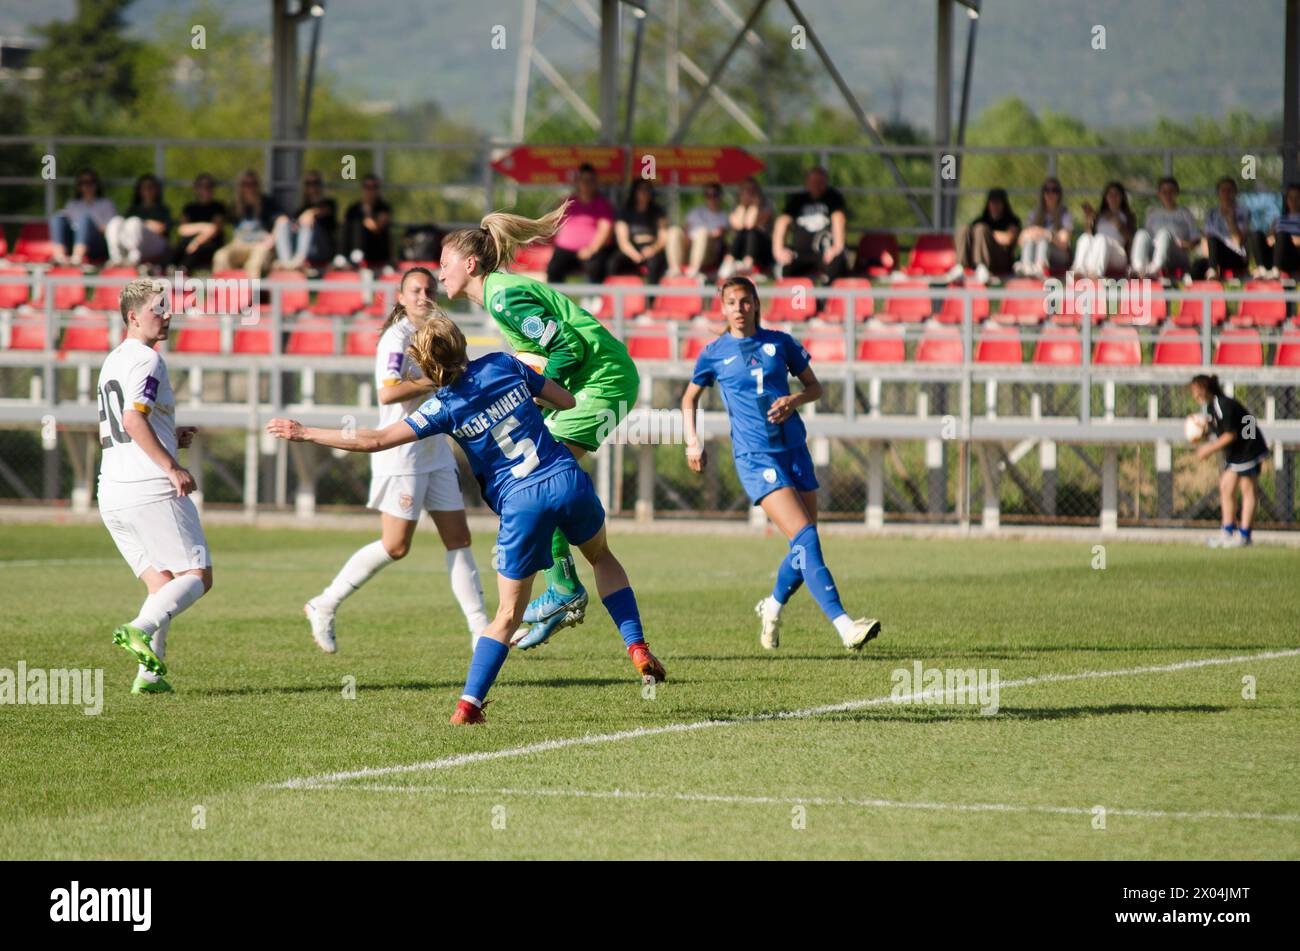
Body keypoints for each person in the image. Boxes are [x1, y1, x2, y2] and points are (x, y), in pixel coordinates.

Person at [267, 316, 666, 722]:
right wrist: (527, 392)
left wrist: (305, 432)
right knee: (601, 558)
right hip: (564, 478)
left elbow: (376, 440)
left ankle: (469, 704)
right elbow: (566, 402)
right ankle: (636, 647)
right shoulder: (503, 364)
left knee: (508, 616)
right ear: (461, 343)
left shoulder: (442, 407)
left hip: (521, 501)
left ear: (424, 364)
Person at [438, 204, 645, 654]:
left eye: (444, 263)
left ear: (469, 264)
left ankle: (563, 590)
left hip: (601, 379)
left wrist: (535, 391)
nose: (440, 274)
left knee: (535, 478)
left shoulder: (502, 297)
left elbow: (567, 347)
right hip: (596, 380)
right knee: (537, 477)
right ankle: (563, 591)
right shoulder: (501, 295)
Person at [680, 277, 880, 651]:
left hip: (794, 449)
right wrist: (693, 441)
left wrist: (794, 400)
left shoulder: (780, 342)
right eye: (731, 303)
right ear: (722, 308)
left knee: (803, 544)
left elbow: (815, 388)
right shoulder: (714, 353)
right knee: (805, 537)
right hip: (756, 457)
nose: (738, 309)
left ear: (756, 304)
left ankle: (771, 606)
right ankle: (845, 625)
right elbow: (689, 399)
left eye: (745, 302)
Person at [300, 266, 489, 652]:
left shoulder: (436, 330)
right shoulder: (395, 339)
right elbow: (387, 394)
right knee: (396, 545)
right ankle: (324, 603)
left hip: (434, 448)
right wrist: (435, 380)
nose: (424, 296)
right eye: (415, 290)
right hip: (401, 452)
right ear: (401, 298)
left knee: (459, 539)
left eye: (429, 290)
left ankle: (480, 630)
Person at [96, 278, 213, 694]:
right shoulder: (148, 359)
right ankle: (138, 628)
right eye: (158, 308)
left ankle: (151, 674)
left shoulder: (114, 359)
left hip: (112, 490)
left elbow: (127, 422)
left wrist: (169, 434)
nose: (167, 314)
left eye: (168, 307)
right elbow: (132, 420)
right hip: (149, 488)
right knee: (198, 574)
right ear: (133, 316)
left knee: (162, 583)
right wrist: (171, 466)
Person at [1190, 374, 1269, 548]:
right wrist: (1202, 433)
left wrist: (1208, 449)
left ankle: (1244, 535)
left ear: (1204, 389)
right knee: (1226, 486)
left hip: (1249, 446)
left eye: (1195, 390)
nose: (1194, 395)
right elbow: (1219, 430)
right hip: (1238, 450)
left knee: (1247, 488)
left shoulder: (1222, 404)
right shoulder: (1211, 407)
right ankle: (1227, 532)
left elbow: (1231, 434)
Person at [772, 166, 848, 283]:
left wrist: (836, 247)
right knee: (786, 268)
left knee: (836, 264)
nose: (816, 185)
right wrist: (778, 250)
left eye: (820, 182)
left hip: (825, 252)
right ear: (807, 183)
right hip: (800, 253)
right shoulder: (798, 200)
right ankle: (792, 300)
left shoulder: (833, 197)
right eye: (813, 181)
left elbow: (838, 218)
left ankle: (827, 299)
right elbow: (782, 221)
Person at [545, 164, 614, 285]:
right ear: (577, 182)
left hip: (591, 251)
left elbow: (605, 229)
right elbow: (552, 224)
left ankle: (593, 301)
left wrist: (592, 249)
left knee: (597, 267)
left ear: (595, 182)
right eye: (583, 180)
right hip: (564, 250)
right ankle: (557, 301)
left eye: (590, 180)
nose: (587, 184)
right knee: (553, 269)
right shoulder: (567, 202)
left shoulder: (602, 204)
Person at [212, 170, 288, 278]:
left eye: (252, 184)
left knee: (254, 263)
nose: (249, 188)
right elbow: (220, 222)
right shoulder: (235, 205)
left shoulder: (266, 202)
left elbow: (282, 219)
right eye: (245, 184)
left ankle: (252, 294)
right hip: (239, 243)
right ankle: (223, 292)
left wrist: (272, 237)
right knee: (220, 256)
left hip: (259, 244)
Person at [1130, 176, 1200, 278]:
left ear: (1177, 193)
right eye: (1164, 192)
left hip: (1176, 252)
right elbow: (1147, 237)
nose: (1168, 195)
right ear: (1159, 194)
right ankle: (1138, 269)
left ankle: (1154, 270)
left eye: (1171, 191)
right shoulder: (1153, 213)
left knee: (1164, 233)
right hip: (1156, 251)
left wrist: (1186, 244)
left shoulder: (1184, 213)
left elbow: (1196, 239)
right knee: (1141, 233)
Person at [607, 180, 670, 287]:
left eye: (647, 190)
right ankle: (610, 297)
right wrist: (634, 254)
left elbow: (663, 237)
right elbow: (622, 240)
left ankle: (652, 300)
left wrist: (653, 249)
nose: (645, 193)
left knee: (655, 263)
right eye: (641, 190)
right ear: (634, 192)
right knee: (612, 262)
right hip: (630, 249)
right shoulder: (625, 211)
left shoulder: (658, 211)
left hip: (652, 249)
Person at [50, 168, 116, 266]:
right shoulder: (72, 204)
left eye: (91, 182)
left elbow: (112, 228)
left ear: (97, 184)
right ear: (78, 186)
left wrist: (89, 227)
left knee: (85, 221)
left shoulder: (106, 204)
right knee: (57, 218)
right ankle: (60, 257)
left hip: (97, 243)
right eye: (83, 182)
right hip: (74, 241)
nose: (87, 186)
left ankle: (77, 258)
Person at [275, 170, 337, 271]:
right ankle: (287, 262)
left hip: (321, 249)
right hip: (303, 248)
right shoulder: (301, 208)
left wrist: (311, 213)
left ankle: (299, 260)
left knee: (307, 221)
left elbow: (324, 211)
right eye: (308, 184)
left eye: (315, 183)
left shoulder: (329, 203)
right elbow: (293, 226)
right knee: (282, 222)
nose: (312, 187)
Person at [106, 173, 172, 267]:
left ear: (156, 190)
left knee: (134, 222)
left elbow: (162, 228)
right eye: (144, 188)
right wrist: (147, 224)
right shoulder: (133, 209)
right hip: (130, 242)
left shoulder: (162, 209)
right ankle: (116, 258)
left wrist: (143, 224)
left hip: (154, 245)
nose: (147, 191)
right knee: (115, 221)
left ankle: (134, 258)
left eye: (150, 187)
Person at [1073, 180, 1134, 278]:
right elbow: (1090, 234)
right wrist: (1089, 220)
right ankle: (1079, 270)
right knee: (1085, 237)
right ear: (1106, 197)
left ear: (1122, 197)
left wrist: (1118, 224)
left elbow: (1131, 239)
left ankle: (1096, 274)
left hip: (1118, 254)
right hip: (1099, 252)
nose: (1113, 198)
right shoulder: (1099, 215)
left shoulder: (1127, 215)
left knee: (1102, 238)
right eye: (1110, 194)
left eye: (1116, 195)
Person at [958, 187, 1021, 281]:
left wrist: (988, 234)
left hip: (1001, 260)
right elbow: (970, 235)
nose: (995, 206)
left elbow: (1008, 238)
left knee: (981, 230)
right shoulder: (981, 220)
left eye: (998, 202)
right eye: (992, 202)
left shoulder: (1012, 220)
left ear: (1004, 204)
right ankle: (960, 266)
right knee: (965, 229)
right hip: (975, 259)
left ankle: (982, 266)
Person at [668, 182, 729, 278]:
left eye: (714, 195)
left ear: (719, 196)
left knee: (702, 232)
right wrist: (688, 239)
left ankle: (694, 269)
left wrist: (698, 238)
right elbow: (684, 229)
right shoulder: (695, 212)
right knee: (674, 230)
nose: (711, 198)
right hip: (688, 249)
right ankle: (674, 268)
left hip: (708, 253)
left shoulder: (723, 216)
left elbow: (718, 234)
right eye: (708, 195)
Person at [718, 177, 774, 279]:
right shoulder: (737, 207)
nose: (748, 193)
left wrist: (755, 205)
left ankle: (747, 264)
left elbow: (750, 224)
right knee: (742, 232)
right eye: (745, 190)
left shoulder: (766, 206)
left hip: (762, 250)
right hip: (741, 249)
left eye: (752, 190)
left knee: (752, 232)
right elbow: (738, 225)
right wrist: (743, 206)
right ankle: (729, 262)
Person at [1016, 178, 1073, 277]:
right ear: (1043, 193)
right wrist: (1031, 234)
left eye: (1054, 190)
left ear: (1059, 194)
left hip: (1059, 255)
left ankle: (1039, 268)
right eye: (1047, 190)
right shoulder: (1035, 213)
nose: (1050, 194)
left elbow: (1063, 243)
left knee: (1043, 240)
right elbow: (1021, 240)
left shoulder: (1065, 214)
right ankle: (1026, 266)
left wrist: (1046, 234)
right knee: (1029, 240)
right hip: (1035, 251)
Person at [1196, 177, 1250, 280]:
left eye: (1230, 190)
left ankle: (1213, 270)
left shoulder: (1242, 212)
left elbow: (1238, 242)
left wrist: (1230, 220)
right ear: (1218, 193)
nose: (1226, 194)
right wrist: (1210, 259)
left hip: (1235, 255)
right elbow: (1205, 239)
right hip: (1214, 257)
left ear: (1235, 192)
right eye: (1223, 190)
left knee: (1213, 240)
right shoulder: (1211, 214)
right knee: (1198, 266)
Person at [170, 173, 226, 273]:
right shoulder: (189, 208)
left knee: (197, 250)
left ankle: (183, 272)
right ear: (196, 188)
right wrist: (204, 227)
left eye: (208, 187)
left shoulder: (218, 207)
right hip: (188, 244)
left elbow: (214, 229)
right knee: (178, 248)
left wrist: (196, 242)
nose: (204, 190)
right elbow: (182, 229)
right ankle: (164, 271)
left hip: (209, 244)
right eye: (201, 186)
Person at [336, 174, 393, 269]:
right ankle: (343, 255)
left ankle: (357, 252)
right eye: (367, 187)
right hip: (354, 249)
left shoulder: (383, 207)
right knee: (352, 223)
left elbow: (376, 227)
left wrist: (367, 214)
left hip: (376, 248)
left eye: (374, 187)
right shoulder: (354, 208)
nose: (370, 191)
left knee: (359, 223)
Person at [1248, 183, 1300, 278]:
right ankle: (1261, 269)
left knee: (1282, 235)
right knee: (1256, 234)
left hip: (1292, 257)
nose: (1294, 201)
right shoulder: (1278, 220)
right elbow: (1269, 238)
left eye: (1297, 198)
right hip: (1274, 254)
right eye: (1291, 198)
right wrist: (1272, 239)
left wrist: (1286, 239)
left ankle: (1276, 271)